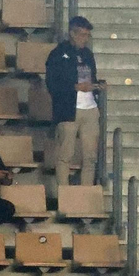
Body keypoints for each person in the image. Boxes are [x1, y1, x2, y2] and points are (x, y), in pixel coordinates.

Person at [46, 15, 101, 195]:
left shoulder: (88, 54)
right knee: (65, 155)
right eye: (82, 35)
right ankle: (65, 194)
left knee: (90, 156)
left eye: (87, 35)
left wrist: (98, 85)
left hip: (89, 107)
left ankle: (85, 194)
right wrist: (75, 87)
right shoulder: (57, 54)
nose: (85, 39)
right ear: (72, 33)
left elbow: (91, 78)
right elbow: (52, 83)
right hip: (68, 109)